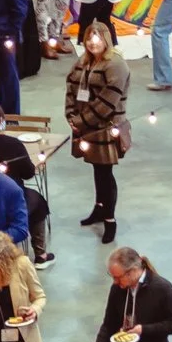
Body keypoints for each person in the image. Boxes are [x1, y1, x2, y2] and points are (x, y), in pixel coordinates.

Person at [65, 20, 132, 243]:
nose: (93, 43)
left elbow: (107, 103)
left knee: (105, 173)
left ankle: (110, 219)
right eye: (89, 38)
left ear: (106, 39)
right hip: (86, 127)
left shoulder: (116, 65)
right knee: (97, 170)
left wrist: (80, 121)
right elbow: (71, 89)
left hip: (106, 128)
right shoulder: (83, 61)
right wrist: (70, 116)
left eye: (97, 38)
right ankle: (99, 209)